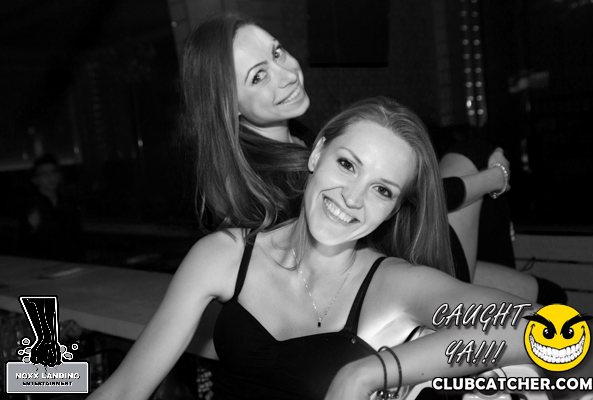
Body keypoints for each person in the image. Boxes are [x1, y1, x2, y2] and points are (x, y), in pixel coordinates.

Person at [88, 97, 539, 400]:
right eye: (347, 164)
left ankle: (493, 178)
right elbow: (123, 390)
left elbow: (548, 332)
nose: (352, 198)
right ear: (317, 153)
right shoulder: (224, 256)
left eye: (382, 190)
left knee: (470, 155)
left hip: (442, 257)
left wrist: (368, 372)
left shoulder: (395, 283)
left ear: (393, 210)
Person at [179, 12, 565, 303]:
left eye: (277, 52)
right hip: (406, 273)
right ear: (228, 106)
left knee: (548, 293)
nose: (287, 74)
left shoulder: (289, 143)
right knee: (475, 154)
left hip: (403, 253)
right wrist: (495, 179)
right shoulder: (280, 179)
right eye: (258, 76)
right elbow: (420, 196)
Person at [18, 154, 84, 262]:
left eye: (53, 172)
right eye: (44, 173)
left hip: (71, 261)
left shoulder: (68, 202)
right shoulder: (30, 205)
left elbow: (77, 236)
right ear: (35, 180)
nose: (50, 177)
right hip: (43, 263)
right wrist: (31, 227)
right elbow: (23, 242)